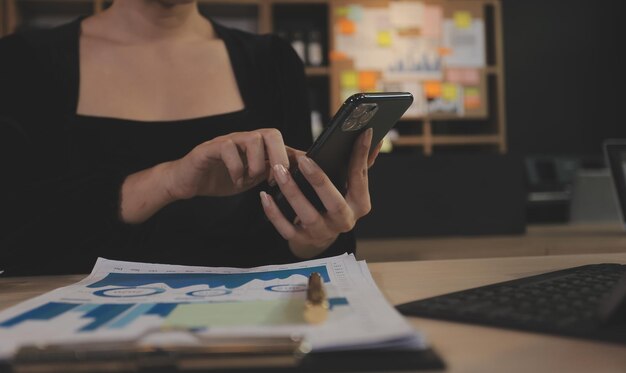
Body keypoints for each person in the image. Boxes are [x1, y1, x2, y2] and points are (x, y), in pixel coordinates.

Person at [0, 0, 381, 276]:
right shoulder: (22, 63)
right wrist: (166, 181)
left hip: (249, 334)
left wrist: (316, 235)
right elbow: (18, 232)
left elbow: (290, 244)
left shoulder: (272, 62)